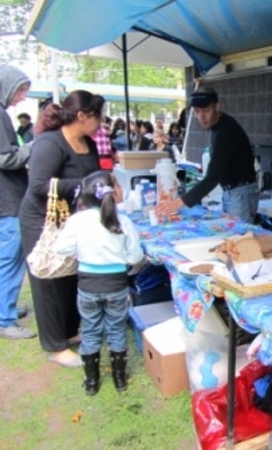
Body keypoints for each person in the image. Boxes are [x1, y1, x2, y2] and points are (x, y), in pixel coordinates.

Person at [19, 90, 105, 367]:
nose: (102, 122)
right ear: (82, 116)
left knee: (69, 275)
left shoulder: (89, 144)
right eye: (98, 116)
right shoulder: (50, 143)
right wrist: (86, 184)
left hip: (71, 220)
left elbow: (92, 179)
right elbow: (39, 185)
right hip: (41, 221)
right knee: (48, 279)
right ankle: (54, 345)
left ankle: (69, 330)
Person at [55, 171, 144, 395]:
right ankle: (120, 379)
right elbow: (134, 258)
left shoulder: (77, 221)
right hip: (116, 286)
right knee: (116, 330)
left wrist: (81, 252)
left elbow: (62, 248)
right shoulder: (124, 221)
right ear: (112, 193)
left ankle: (92, 382)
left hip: (87, 286)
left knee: (91, 330)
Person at [155, 86, 259, 224]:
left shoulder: (225, 131)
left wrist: (177, 203)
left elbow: (212, 177)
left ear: (217, 107)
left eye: (206, 110)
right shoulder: (216, 126)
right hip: (233, 192)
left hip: (240, 193)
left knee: (238, 238)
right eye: (197, 111)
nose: (201, 117)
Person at [0, 64, 36, 340]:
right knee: (10, 260)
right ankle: (5, 319)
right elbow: (5, 158)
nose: (23, 97)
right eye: (22, 90)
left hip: (8, 199)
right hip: (8, 201)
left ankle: (6, 309)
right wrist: (32, 148)